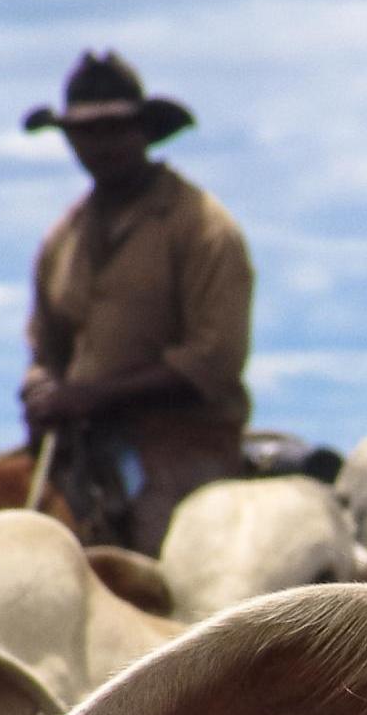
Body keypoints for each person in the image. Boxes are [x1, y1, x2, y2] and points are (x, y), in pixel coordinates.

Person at [19, 51, 254, 552]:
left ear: (144, 131)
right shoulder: (62, 238)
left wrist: (94, 396)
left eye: (115, 130)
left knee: (162, 550)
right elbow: (45, 348)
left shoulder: (202, 227)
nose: (100, 146)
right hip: (80, 447)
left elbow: (214, 359)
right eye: (85, 133)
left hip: (184, 441)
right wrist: (40, 388)